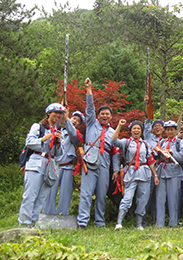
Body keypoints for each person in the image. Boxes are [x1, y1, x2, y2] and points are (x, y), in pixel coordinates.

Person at [73, 78, 120, 229]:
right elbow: (90, 108)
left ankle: (100, 222)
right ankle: (82, 222)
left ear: (111, 116)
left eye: (107, 114)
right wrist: (89, 89)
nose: (105, 116)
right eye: (103, 114)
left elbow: (115, 152)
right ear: (99, 115)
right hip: (90, 159)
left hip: (105, 163)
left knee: (101, 195)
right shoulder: (92, 123)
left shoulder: (113, 132)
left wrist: (117, 169)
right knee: (86, 194)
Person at [18, 103, 66, 226]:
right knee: (30, 195)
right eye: (56, 112)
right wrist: (43, 139)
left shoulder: (58, 131)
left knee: (42, 197)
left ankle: (32, 223)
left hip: (50, 165)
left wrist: (59, 142)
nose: (58, 116)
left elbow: (59, 153)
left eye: (60, 114)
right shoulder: (38, 127)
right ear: (49, 113)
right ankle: (24, 223)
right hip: (36, 161)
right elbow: (29, 142)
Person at [112, 119, 159, 230]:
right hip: (131, 173)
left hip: (144, 173)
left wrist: (155, 175)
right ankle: (119, 223)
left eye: (138, 128)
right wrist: (119, 126)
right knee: (127, 198)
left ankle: (139, 225)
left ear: (141, 131)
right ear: (131, 130)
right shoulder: (126, 142)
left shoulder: (146, 144)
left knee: (143, 199)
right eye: (134, 128)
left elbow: (150, 161)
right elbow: (113, 141)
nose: (136, 130)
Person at [43, 110, 85, 215]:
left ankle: (63, 215)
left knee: (65, 193)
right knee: (50, 191)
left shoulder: (76, 134)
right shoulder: (58, 130)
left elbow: (74, 137)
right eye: (74, 118)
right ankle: (47, 213)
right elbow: (54, 121)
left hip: (67, 166)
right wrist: (61, 110)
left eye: (78, 121)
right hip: (54, 165)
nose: (75, 121)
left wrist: (66, 119)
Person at [155, 120, 183, 227]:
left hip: (174, 172)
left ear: (175, 130)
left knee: (173, 199)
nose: (169, 132)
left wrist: (173, 153)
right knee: (160, 198)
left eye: (171, 129)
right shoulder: (162, 142)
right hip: (162, 171)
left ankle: (173, 223)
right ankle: (160, 223)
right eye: (167, 129)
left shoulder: (180, 142)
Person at [142, 111, 165, 227]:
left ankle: (157, 220)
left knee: (158, 195)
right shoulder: (148, 138)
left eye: (160, 126)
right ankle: (143, 220)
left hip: (162, 167)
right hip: (150, 168)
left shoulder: (166, 141)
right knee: (147, 194)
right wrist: (147, 107)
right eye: (155, 126)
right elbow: (146, 127)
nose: (157, 128)